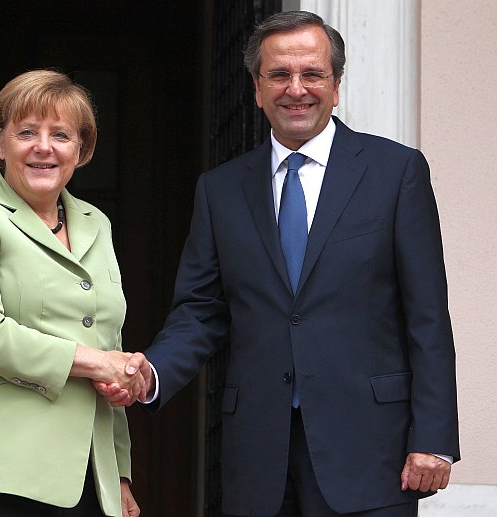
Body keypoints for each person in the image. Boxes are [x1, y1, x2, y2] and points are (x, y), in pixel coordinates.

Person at [103, 10, 460, 517]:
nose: (296, 89)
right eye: (279, 75)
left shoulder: (395, 172)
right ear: (256, 88)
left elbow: (427, 315)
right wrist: (151, 373)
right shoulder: (220, 189)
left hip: (372, 455)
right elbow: (200, 312)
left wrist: (434, 437)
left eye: (312, 74)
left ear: (336, 86)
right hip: (258, 458)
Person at [0, 69, 147, 517]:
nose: (44, 147)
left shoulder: (96, 223)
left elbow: (107, 348)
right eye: (26, 132)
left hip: (84, 484)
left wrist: (117, 474)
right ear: (0, 144)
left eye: (60, 134)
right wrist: (99, 361)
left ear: (81, 150)